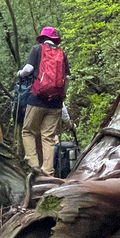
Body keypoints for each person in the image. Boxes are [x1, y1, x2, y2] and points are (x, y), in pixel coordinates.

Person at [17, 26, 70, 177]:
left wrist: (20, 73)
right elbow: (67, 79)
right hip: (56, 103)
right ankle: (48, 172)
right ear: (54, 40)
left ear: (42, 38)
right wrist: (62, 95)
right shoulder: (62, 54)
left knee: (28, 131)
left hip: (37, 99)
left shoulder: (37, 49)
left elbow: (28, 69)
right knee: (48, 136)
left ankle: (33, 167)